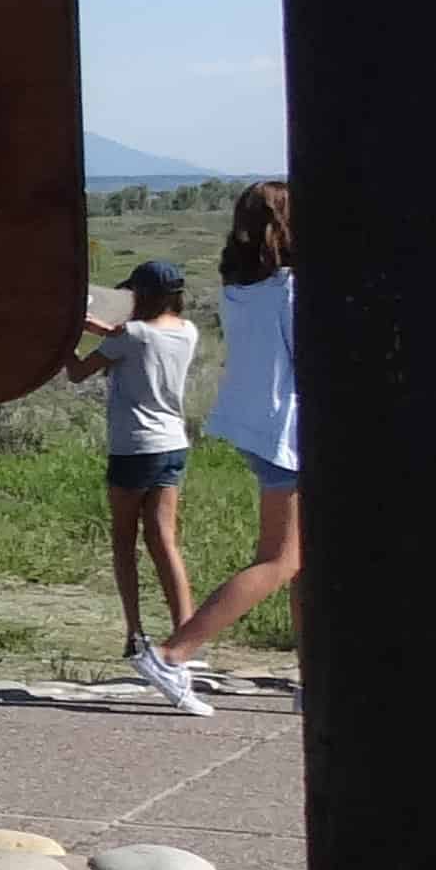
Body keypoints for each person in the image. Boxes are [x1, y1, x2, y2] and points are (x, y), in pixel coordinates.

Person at [155, 181, 301, 704]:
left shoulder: (240, 285)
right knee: (279, 560)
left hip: (252, 422)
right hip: (285, 430)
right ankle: (174, 653)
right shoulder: (289, 288)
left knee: (302, 557)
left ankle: (314, 673)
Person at [69, 258, 204, 705]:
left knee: (124, 542)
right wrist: (100, 327)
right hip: (172, 445)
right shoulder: (187, 332)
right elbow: (131, 338)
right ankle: (187, 634)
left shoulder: (132, 335)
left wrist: (63, 337)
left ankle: (134, 633)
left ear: (140, 294)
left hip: (132, 447)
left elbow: (77, 370)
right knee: (165, 541)